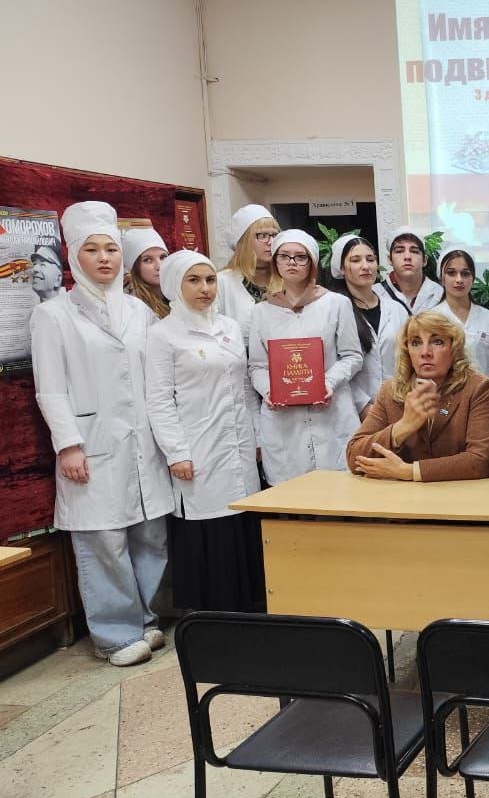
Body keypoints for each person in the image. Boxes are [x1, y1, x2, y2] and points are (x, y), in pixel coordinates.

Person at [30, 201, 173, 667]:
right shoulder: (53, 315)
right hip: (91, 442)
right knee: (104, 540)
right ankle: (114, 635)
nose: (104, 258)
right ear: (74, 256)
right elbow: (50, 389)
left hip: (142, 441)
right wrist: (69, 444)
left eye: (111, 249)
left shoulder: (138, 311)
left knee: (149, 534)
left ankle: (146, 619)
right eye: (92, 250)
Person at [145, 250, 264, 612]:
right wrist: (177, 453)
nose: (205, 288)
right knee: (208, 524)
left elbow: (245, 387)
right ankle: (212, 614)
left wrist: (257, 437)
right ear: (174, 285)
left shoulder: (229, 327)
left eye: (210, 280)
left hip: (239, 443)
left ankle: (249, 608)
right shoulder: (163, 335)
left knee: (241, 517)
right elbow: (159, 400)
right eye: (194, 280)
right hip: (197, 447)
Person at [248, 230, 364, 485]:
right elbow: (256, 366)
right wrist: (269, 390)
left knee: (339, 494)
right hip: (283, 421)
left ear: (312, 263)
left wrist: (327, 383)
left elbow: (352, 356)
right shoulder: (261, 312)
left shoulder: (336, 303)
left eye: (301, 257)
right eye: (284, 256)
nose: (292, 262)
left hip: (331, 414)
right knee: (291, 498)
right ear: (275, 262)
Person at [346, 310, 489, 481]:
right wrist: (402, 427)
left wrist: (409, 471)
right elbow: (354, 458)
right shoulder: (390, 390)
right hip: (400, 496)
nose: (425, 352)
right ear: (407, 351)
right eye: (416, 343)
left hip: (458, 494)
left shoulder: (477, 388)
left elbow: (480, 461)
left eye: (437, 342)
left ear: (454, 349)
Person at [330, 233, 409, 416]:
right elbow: (332, 364)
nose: (365, 266)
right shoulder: (334, 311)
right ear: (341, 268)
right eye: (355, 260)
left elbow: (408, 359)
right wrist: (365, 407)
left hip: (398, 407)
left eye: (370, 259)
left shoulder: (396, 309)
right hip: (352, 412)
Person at [215, 203, 279, 340]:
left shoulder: (286, 279)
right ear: (243, 241)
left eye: (274, 235)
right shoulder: (221, 282)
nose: (271, 242)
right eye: (262, 235)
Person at [435, 246, 489, 376]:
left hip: (485, 388)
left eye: (465, 274)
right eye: (451, 273)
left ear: (473, 277)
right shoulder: (431, 319)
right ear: (441, 277)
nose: (459, 280)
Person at [377, 226, 443, 316]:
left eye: (414, 251)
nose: (407, 257)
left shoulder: (441, 295)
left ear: (424, 260)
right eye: (399, 251)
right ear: (389, 259)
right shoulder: (374, 294)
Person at [122, 227, 169, 319]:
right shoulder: (131, 307)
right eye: (148, 260)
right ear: (134, 267)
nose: (159, 266)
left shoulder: (181, 292)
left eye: (163, 257)